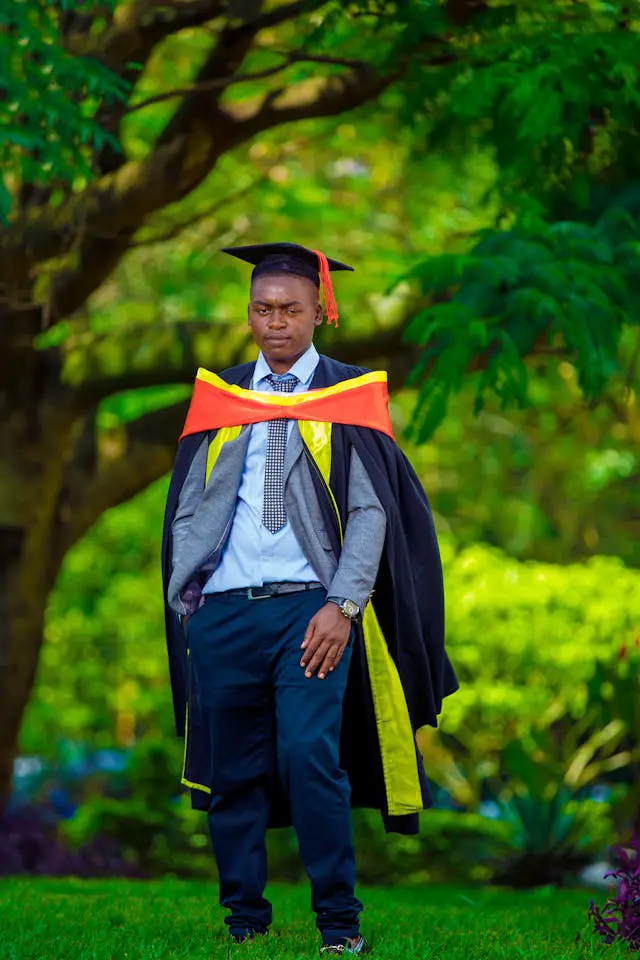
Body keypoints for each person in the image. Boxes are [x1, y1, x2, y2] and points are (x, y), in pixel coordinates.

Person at [161, 242, 459, 955]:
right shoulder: (219, 397)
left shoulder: (349, 396)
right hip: (225, 610)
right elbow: (185, 507)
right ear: (249, 314)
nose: (275, 324)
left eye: (290, 310)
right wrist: (188, 602)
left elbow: (372, 512)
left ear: (318, 313)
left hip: (311, 610)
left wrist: (344, 604)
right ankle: (243, 922)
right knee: (231, 773)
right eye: (262, 310)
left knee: (309, 758)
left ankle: (338, 925)